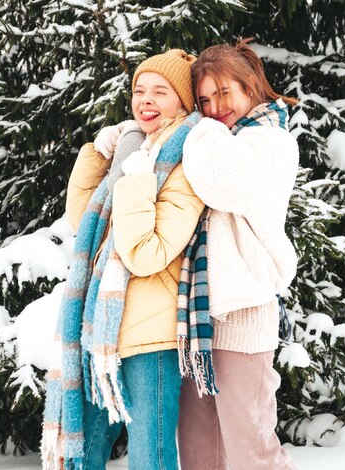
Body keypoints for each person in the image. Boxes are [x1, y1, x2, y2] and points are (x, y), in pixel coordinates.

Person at [40, 49, 204, 470]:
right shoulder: (133, 151)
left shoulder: (185, 163)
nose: (145, 100)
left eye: (160, 92)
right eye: (139, 90)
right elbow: (85, 221)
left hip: (151, 335)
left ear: (183, 102)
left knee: (151, 456)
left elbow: (147, 252)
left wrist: (135, 177)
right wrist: (99, 154)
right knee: (83, 452)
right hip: (100, 332)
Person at [177, 39, 299, 470]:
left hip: (244, 313)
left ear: (250, 86)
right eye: (205, 100)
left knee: (251, 448)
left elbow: (227, 184)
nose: (215, 107)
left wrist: (199, 125)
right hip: (199, 317)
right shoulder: (223, 141)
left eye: (224, 92)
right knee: (198, 449)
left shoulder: (268, 141)